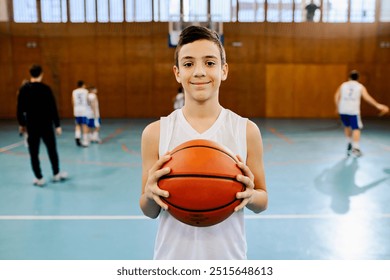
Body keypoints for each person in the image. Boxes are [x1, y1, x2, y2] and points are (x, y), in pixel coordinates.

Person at [140, 26, 268, 260]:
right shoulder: (155, 133)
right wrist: (149, 194)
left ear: (224, 70)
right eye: (188, 64)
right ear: (177, 73)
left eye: (209, 63)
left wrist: (250, 195)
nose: (199, 72)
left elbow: (262, 200)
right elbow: (149, 210)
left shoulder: (246, 130)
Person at [17, 64, 68, 187]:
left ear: (30, 74)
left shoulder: (24, 89)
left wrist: (22, 124)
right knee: (52, 150)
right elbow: (52, 108)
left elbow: (19, 109)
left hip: (32, 126)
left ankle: (39, 178)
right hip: (46, 125)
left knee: (33, 153)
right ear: (42, 74)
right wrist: (57, 125)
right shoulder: (46, 89)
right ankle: (56, 174)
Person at [334, 70, 389, 157]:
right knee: (356, 128)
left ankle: (349, 142)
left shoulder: (343, 85)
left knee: (347, 126)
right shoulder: (360, 87)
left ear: (349, 77)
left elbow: (336, 96)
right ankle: (355, 148)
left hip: (343, 109)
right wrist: (377, 105)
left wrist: (337, 106)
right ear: (358, 78)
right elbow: (367, 98)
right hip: (353, 111)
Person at [72, 80, 89, 147]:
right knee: (84, 125)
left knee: (78, 124)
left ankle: (77, 136)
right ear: (83, 85)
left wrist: (74, 109)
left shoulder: (74, 91)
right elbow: (88, 101)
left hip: (77, 110)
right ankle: (85, 141)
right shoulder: (85, 91)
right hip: (84, 110)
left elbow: (73, 101)